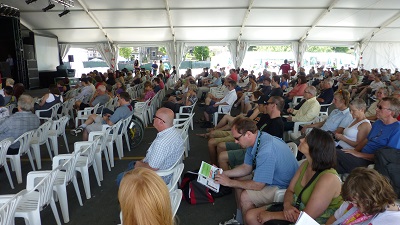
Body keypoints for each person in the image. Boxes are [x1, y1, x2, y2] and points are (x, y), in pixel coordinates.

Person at [246, 129, 343, 225]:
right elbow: (290, 190)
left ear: (315, 148)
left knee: (259, 217)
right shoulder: (306, 164)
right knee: (251, 215)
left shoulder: (328, 179)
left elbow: (307, 217)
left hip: (312, 220)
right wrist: (287, 206)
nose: (301, 140)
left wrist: (271, 215)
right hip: (295, 208)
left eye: (306, 140)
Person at [215, 117, 298, 225]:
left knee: (244, 196)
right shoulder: (257, 139)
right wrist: (223, 173)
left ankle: (246, 220)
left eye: (237, 138)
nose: (235, 142)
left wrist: (229, 182)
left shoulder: (266, 150)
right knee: (238, 181)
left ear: (248, 134)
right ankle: (239, 220)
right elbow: (246, 167)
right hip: (275, 177)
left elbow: (258, 185)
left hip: (284, 186)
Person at [116, 108, 184, 185]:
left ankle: (133, 193)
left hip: (158, 177)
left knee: (120, 178)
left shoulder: (161, 143)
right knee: (131, 164)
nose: (153, 118)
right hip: (168, 171)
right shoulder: (175, 133)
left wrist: (139, 164)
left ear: (161, 122)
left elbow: (152, 168)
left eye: (155, 117)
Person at [217, 96, 285, 171]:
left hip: (255, 151)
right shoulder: (267, 117)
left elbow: (269, 149)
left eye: (268, 103)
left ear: (273, 105)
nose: (266, 105)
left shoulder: (277, 124)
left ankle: (224, 177)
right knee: (221, 148)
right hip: (251, 146)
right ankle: (221, 171)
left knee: (222, 156)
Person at [336, 97, 400, 174]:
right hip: (360, 156)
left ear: (392, 112)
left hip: (371, 163)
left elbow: (387, 157)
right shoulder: (378, 123)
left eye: (380, 108)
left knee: (333, 153)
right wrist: (354, 151)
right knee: (330, 165)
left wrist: (360, 154)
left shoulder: (397, 129)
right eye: (377, 106)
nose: (376, 109)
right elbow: (366, 140)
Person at [326, 167, 400, 225]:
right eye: (352, 201)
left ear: (371, 198)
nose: (354, 205)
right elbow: (334, 218)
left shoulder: (394, 220)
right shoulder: (353, 200)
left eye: (357, 202)